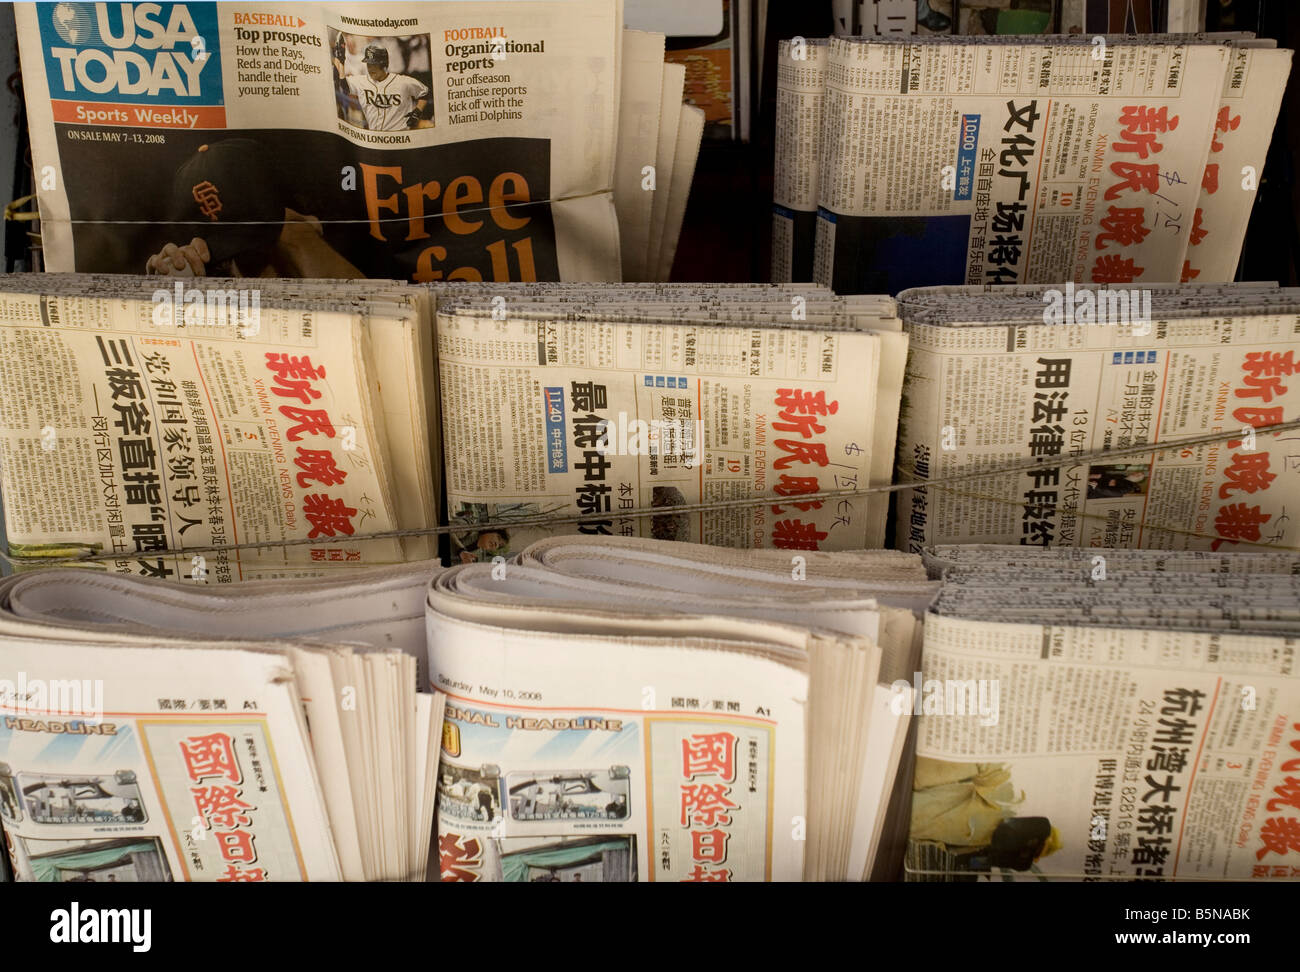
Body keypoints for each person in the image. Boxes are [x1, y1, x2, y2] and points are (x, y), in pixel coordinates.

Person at [333, 41, 430, 131]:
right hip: (376, 137)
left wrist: (417, 111)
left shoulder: (403, 82)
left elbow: (425, 92)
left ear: (384, 64)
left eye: (374, 64)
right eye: (369, 64)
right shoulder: (362, 81)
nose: (371, 68)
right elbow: (343, 84)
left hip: (400, 136)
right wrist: (339, 61)